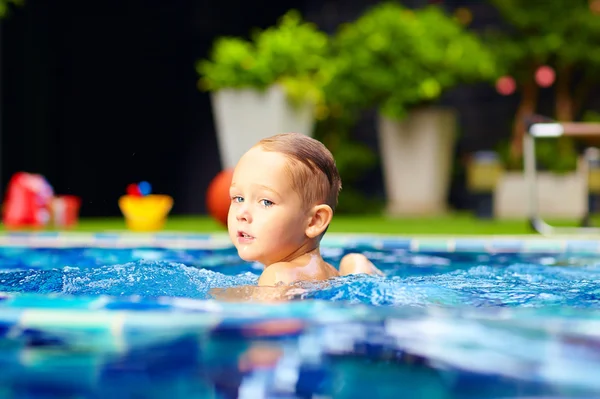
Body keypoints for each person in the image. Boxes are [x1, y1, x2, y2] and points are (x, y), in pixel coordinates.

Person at [227, 132, 383, 292]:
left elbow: (265, 315)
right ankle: (358, 267)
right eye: (238, 198)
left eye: (266, 202)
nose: (242, 214)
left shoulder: (277, 276)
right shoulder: (330, 273)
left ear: (314, 221)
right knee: (350, 264)